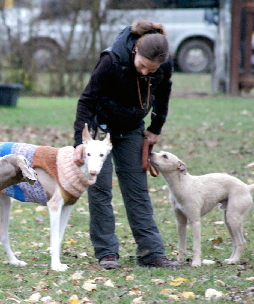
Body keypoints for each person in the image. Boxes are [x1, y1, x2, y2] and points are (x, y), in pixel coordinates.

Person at [73, 20, 179, 269]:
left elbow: (163, 93)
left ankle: (151, 252)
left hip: (132, 128)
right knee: (100, 190)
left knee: (137, 190)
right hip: (101, 128)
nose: (145, 73)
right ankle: (107, 253)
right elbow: (86, 100)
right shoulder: (111, 61)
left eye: (151, 70)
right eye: (142, 66)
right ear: (135, 52)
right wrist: (80, 141)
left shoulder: (164, 65)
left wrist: (155, 128)